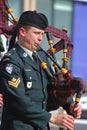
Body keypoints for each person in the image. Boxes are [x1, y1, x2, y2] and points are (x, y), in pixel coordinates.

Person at [0, 10, 82, 130]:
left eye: (42, 34)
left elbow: (52, 84)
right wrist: (51, 118)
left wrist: (69, 105)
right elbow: (18, 101)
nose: (40, 39)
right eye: (36, 33)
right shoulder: (11, 61)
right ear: (22, 32)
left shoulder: (41, 56)